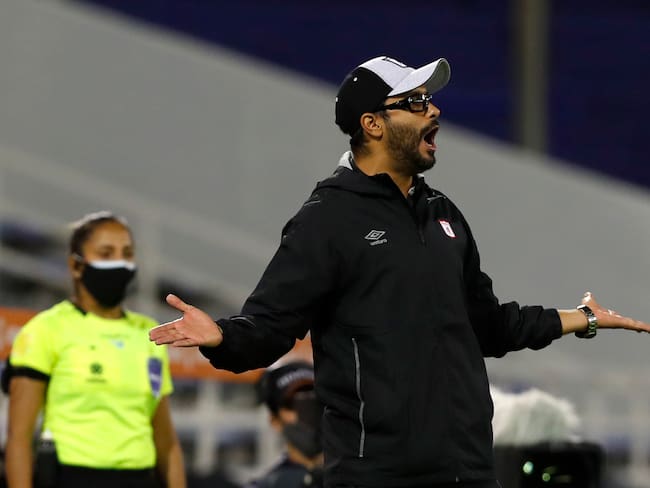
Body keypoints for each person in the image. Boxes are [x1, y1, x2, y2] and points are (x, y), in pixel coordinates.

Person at [149, 56, 650, 488]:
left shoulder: (443, 213)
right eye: (415, 102)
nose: (433, 110)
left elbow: (488, 326)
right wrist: (221, 337)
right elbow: (270, 326)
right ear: (372, 124)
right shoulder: (327, 219)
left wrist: (580, 318)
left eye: (429, 100)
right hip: (378, 475)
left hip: (468, 468)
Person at [3, 211, 186, 488]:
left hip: (139, 479)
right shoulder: (46, 329)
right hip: (71, 477)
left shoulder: (149, 333)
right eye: (106, 253)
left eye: (127, 253)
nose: (119, 262)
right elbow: (19, 437)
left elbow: (166, 442)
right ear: (76, 266)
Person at [246, 360, 323, 488]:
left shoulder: (359, 473)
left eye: (313, 401)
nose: (307, 412)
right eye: (292, 404)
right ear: (275, 421)